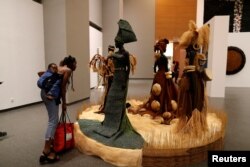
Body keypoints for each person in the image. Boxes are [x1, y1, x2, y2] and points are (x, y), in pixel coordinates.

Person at [78, 19, 144, 149]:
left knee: (118, 103)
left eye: (116, 41)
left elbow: (127, 68)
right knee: (111, 100)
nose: (115, 42)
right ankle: (108, 122)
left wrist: (126, 82)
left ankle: (117, 124)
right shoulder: (116, 53)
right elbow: (111, 58)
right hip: (115, 78)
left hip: (121, 79)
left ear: (120, 42)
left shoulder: (124, 53)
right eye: (115, 41)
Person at [39, 55, 77, 164]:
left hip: (44, 93)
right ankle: (46, 150)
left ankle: (50, 147)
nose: (76, 65)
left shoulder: (59, 68)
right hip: (51, 96)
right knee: (53, 121)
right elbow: (63, 88)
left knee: (53, 120)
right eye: (75, 63)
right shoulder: (68, 70)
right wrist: (64, 104)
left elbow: (42, 74)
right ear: (71, 63)